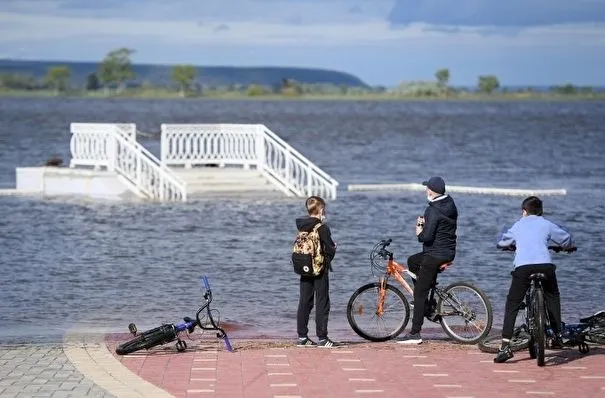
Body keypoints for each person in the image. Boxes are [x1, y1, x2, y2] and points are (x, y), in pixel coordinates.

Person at [494, 196, 573, 363]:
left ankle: (505, 346)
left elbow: (501, 242)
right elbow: (565, 238)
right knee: (553, 296)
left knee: (513, 303)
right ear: (540, 212)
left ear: (524, 211)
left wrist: (507, 246)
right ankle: (558, 335)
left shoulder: (518, 225)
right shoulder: (546, 224)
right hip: (545, 266)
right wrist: (567, 247)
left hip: (523, 268)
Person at [397, 176, 458, 345]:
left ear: (431, 191)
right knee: (413, 261)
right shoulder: (450, 204)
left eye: (427, 188)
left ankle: (415, 333)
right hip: (448, 251)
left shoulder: (432, 210)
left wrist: (419, 229)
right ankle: (427, 302)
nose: (425, 191)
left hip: (434, 254)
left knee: (419, 294)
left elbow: (425, 237)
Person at [295, 196, 341, 348]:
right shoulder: (322, 228)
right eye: (324, 209)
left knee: (304, 302)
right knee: (322, 302)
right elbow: (329, 250)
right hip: (319, 269)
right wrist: (334, 248)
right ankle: (323, 338)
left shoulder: (302, 226)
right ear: (321, 210)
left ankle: (302, 337)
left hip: (304, 267)